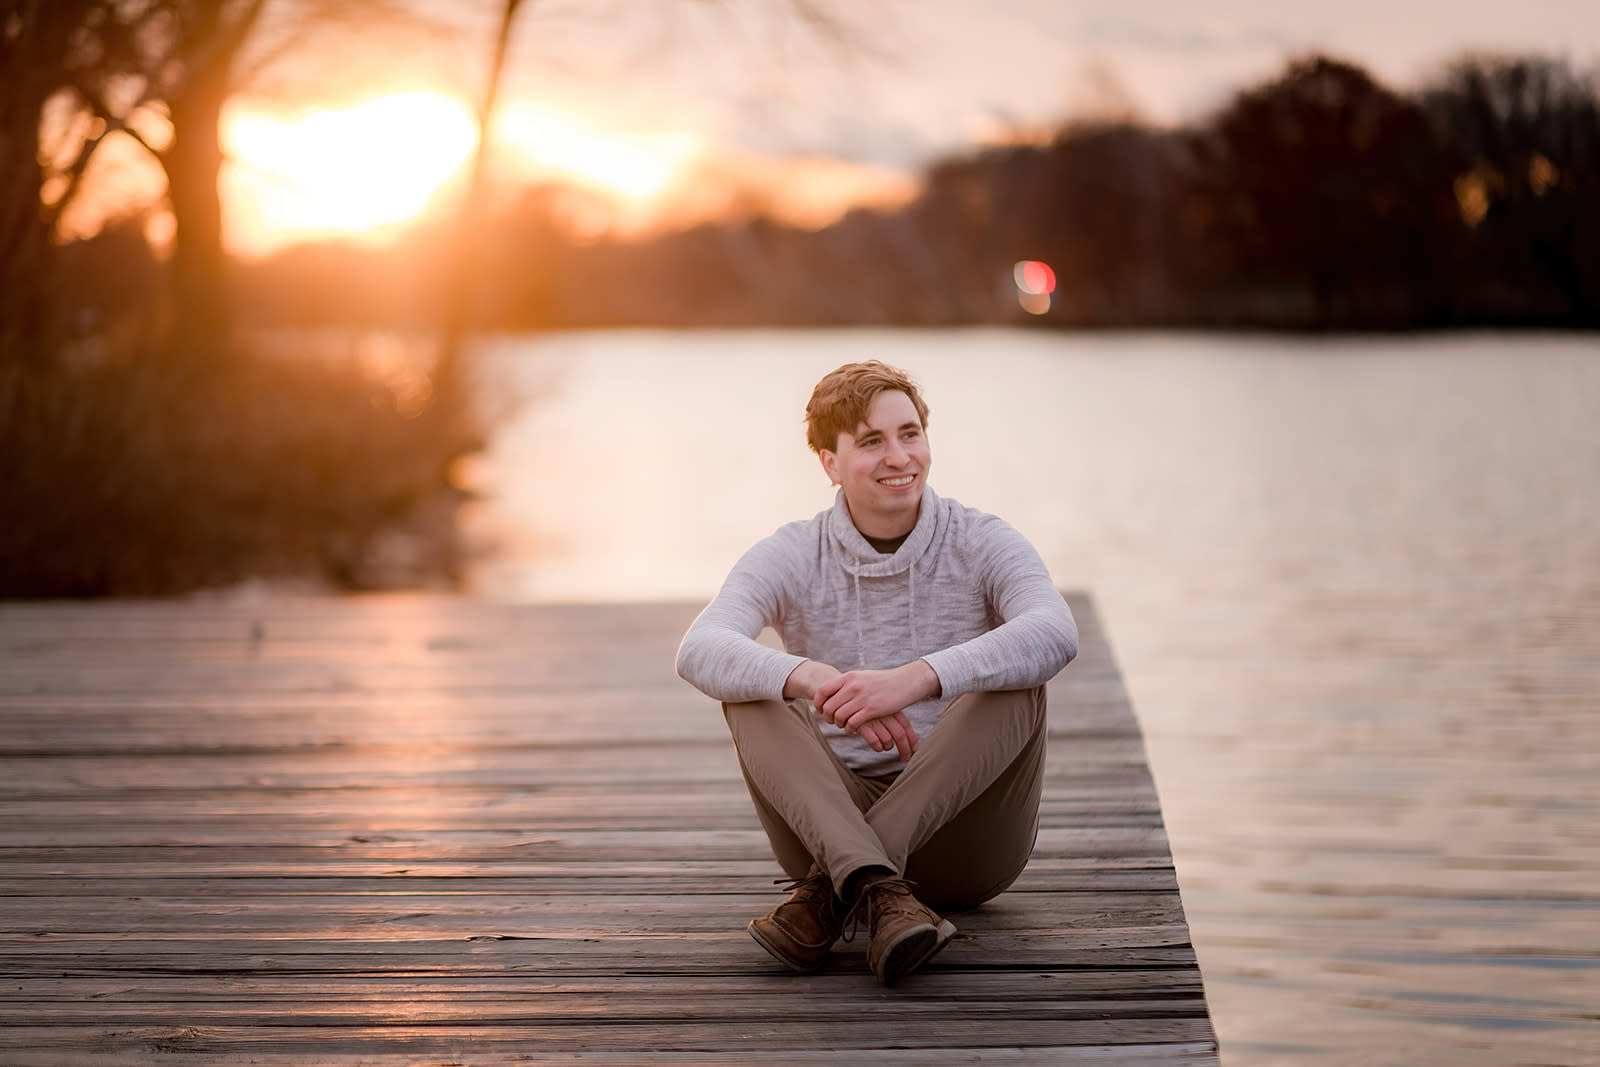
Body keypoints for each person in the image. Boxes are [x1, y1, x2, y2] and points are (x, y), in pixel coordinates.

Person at [674, 360, 1077, 984]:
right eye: (872, 441)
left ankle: (831, 897)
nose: (900, 456)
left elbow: (1056, 631)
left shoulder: (982, 539)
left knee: (1015, 676)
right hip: (825, 832)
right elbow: (700, 646)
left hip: (966, 842)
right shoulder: (790, 552)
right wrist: (810, 677)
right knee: (753, 690)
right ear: (830, 464)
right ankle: (877, 889)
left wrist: (915, 678)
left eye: (910, 433)